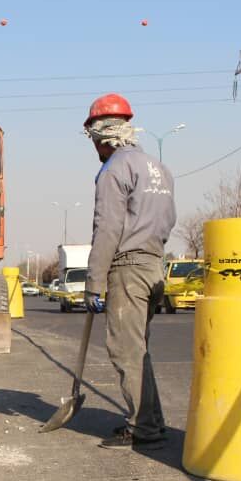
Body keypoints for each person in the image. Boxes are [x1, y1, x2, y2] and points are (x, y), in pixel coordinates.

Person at [81, 93, 176, 450]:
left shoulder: (113, 169)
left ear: (100, 136)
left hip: (129, 267)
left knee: (126, 350)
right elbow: (168, 220)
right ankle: (151, 421)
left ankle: (144, 429)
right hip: (154, 265)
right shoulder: (158, 167)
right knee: (139, 349)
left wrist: (95, 282)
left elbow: (106, 228)